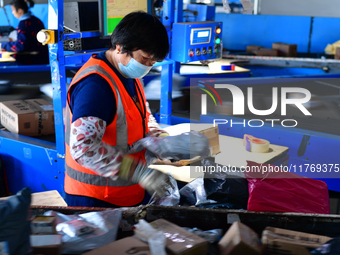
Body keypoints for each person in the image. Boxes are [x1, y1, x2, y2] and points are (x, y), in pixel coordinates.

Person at [64, 11, 175, 207]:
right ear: (120, 47)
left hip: (128, 195)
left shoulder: (129, 75)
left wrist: (162, 141)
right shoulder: (96, 86)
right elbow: (83, 148)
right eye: (144, 59)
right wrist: (139, 172)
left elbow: (142, 116)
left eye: (153, 62)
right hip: (95, 200)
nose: (148, 66)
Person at [0, 0, 49, 65]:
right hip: (43, 59)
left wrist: (3, 45)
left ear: (20, 10)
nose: (12, 13)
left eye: (13, 10)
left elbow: (21, 46)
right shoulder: (37, 21)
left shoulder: (24, 24)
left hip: (31, 62)